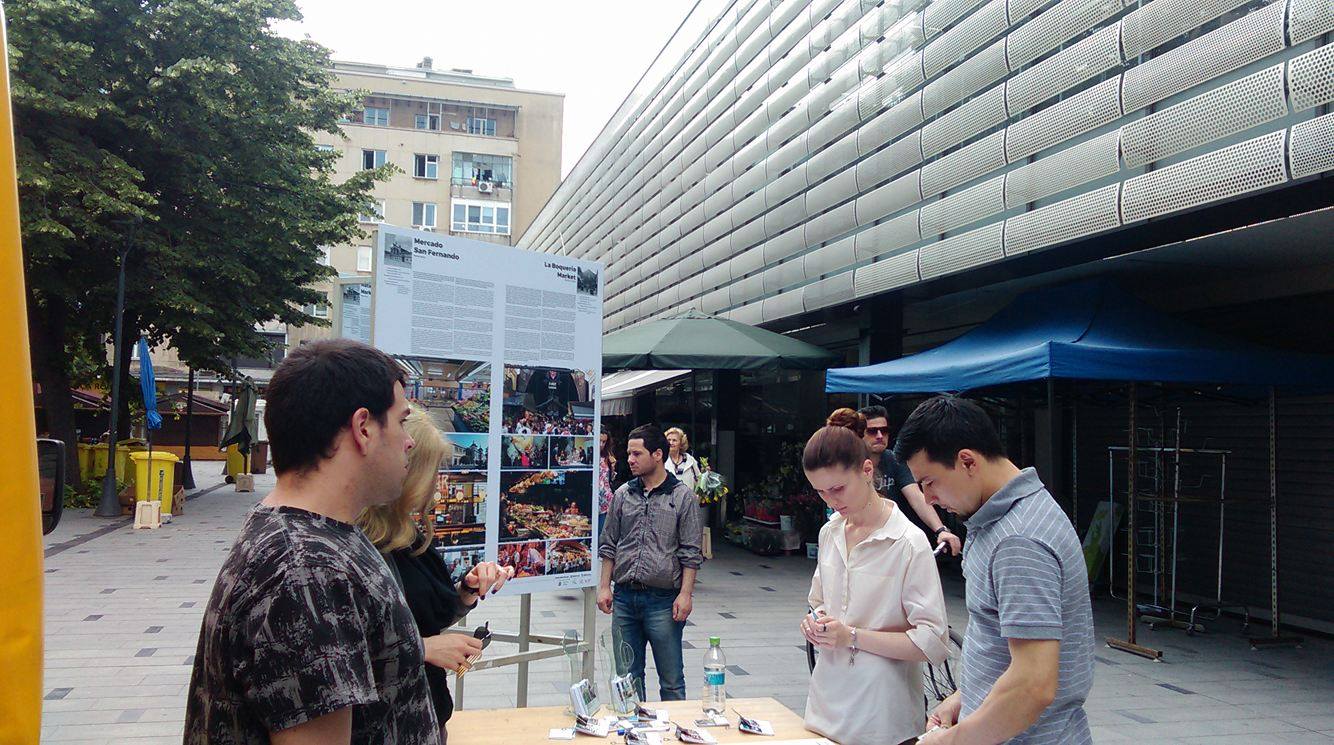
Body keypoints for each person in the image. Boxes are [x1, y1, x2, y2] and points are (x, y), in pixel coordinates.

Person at [185, 339, 437, 744]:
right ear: (363, 428)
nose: (409, 440)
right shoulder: (306, 569)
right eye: (401, 421)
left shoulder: (316, 539)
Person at [898, 396, 1094, 745]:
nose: (928, 499)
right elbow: (1006, 649)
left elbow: (1032, 684)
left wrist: (951, 741)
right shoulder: (1007, 516)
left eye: (929, 482)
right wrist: (966, 697)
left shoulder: (1018, 539)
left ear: (968, 461)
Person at [357, 406, 514, 744]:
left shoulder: (406, 531)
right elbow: (344, 652)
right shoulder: (360, 543)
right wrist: (424, 649)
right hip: (388, 726)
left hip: (425, 715)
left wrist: (466, 590)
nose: (437, 482)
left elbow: (425, 611)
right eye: (433, 470)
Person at [798, 424, 951, 745]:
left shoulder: (908, 541)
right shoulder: (830, 532)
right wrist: (816, 622)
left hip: (883, 717)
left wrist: (852, 636)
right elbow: (819, 601)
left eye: (838, 488)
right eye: (820, 492)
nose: (831, 501)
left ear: (867, 471)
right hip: (825, 708)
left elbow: (932, 642)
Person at [596, 424, 704, 701]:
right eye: (628, 454)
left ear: (657, 454)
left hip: (663, 601)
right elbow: (609, 544)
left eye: (636, 454)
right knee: (627, 679)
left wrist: (686, 594)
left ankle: (674, 726)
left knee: (671, 680)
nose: (630, 460)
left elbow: (691, 552)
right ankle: (634, 724)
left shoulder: (682, 497)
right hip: (624, 598)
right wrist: (604, 586)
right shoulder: (623, 494)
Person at [853, 406, 962, 556]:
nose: (879, 436)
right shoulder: (849, 465)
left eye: (884, 430)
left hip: (898, 542)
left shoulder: (894, 459)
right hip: (863, 543)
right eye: (872, 431)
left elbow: (916, 496)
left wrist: (940, 530)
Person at [663, 427, 702, 492]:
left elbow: (699, 480)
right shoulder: (661, 460)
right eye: (669, 440)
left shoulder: (690, 460)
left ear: (681, 443)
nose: (671, 443)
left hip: (688, 497)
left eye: (674, 440)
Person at [598, 431, 618, 516]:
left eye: (604, 442)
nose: (601, 444)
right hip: (592, 497)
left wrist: (612, 467)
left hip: (606, 499)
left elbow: (610, 479)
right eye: (599, 441)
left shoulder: (607, 456)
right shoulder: (590, 456)